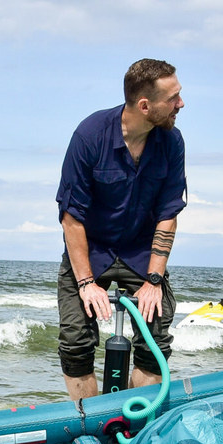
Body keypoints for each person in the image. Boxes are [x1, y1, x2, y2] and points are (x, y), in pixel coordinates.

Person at [55, 58, 187, 401]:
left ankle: (134, 421)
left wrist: (154, 281)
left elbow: (168, 213)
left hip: (141, 250)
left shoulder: (172, 142)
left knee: (155, 333)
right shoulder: (90, 135)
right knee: (75, 339)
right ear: (145, 106)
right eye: (173, 98)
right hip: (92, 247)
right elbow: (72, 217)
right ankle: (88, 425)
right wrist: (85, 283)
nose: (181, 104)